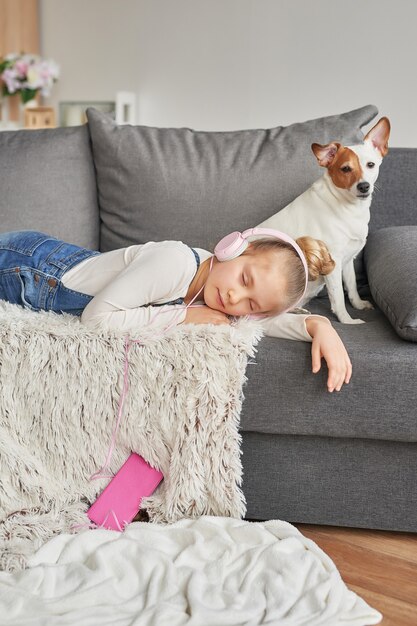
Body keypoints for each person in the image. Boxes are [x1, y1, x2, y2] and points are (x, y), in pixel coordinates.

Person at [0, 229, 352, 393]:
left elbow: (265, 323)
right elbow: (96, 320)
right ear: (235, 248)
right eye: (244, 278)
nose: (234, 298)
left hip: (59, 266)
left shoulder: (216, 293)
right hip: (32, 269)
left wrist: (318, 325)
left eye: (251, 304)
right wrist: (183, 316)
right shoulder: (175, 264)